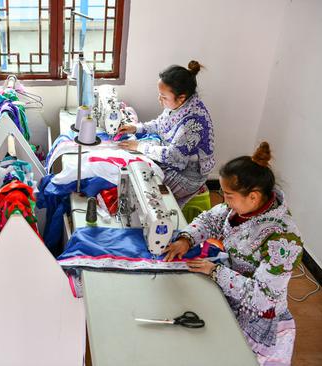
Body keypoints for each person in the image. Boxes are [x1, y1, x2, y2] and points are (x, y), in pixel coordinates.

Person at [164, 142, 302, 365]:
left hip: (257, 319)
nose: (224, 201)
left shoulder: (282, 240)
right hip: (231, 297)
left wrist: (216, 271)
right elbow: (209, 219)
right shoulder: (240, 208)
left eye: (228, 196)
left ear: (254, 197)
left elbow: (263, 297)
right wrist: (185, 239)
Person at [118, 60, 214, 206]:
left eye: (164, 97)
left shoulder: (193, 122)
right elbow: (160, 124)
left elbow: (173, 156)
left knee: (141, 187)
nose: (159, 100)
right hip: (175, 160)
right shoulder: (180, 106)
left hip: (187, 176)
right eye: (159, 94)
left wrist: (139, 146)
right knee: (135, 165)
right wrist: (136, 128)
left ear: (181, 97)